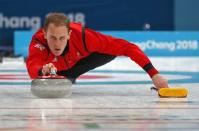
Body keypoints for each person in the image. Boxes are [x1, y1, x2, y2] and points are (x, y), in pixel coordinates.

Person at [26, 12, 169, 89]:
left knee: (111, 51)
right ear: (45, 34)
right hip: (54, 71)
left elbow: (127, 47)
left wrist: (154, 74)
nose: (57, 44)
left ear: (69, 35)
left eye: (62, 38)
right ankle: (64, 74)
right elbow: (32, 66)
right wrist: (41, 71)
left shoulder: (84, 37)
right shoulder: (38, 41)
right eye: (52, 38)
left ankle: (71, 75)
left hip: (74, 65)